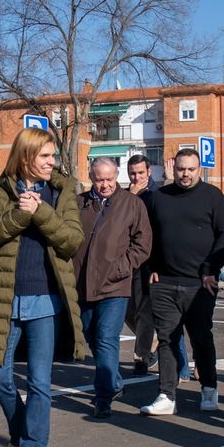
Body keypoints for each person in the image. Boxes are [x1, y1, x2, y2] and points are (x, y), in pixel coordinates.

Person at [0, 127, 86, 447]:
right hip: (4, 298)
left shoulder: (62, 193)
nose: (52, 163)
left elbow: (72, 242)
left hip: (46, 299)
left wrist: (41, 211)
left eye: (54, 156)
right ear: (27, 155)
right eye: (45, 156)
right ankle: (19, 432)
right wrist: (19, 214)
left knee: (40, 383)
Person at [138, 148, 224, 416]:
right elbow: (148, 235)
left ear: (199, 170)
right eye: (181, 169)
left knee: (201, 338)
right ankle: (167, 395)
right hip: (165, 282)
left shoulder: (213, 197)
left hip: (200, 283)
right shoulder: (159, 197)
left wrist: (210, 270)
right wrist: (152, 266)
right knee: (167, 339)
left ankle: (209, 389)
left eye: (191, 169)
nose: (186, 174)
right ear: (173, 169)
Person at [74, 158, 152, 418]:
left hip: (116, 285)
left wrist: (123, 267)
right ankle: (115, 382)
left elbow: (143, 244)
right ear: (91, 177)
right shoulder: (79, 203)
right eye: (99, 179)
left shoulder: (132, 204)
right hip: (82, 284)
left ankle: (103, 397)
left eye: (110, 179)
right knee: (90, 335)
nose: (105, 184)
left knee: (107, 337)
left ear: (116, 176)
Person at [125, 154, 158, 375]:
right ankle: (151, 341)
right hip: (128, 260)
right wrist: (131, 197)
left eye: (140, 173)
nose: (137, 177)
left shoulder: (156, 196)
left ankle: (142, 357)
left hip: (149, 261)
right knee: (127, 310)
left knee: (144, 311)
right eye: (132, 173)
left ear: (149, 172)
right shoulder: (126, 195)